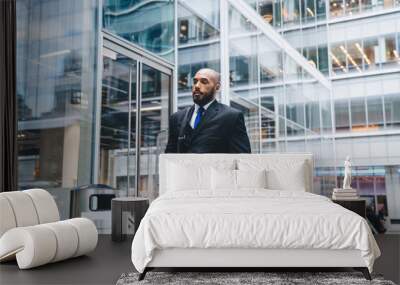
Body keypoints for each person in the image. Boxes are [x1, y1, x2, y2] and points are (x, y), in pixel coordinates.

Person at [165, 68, 251, 153]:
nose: (197, 86)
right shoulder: (177, 117)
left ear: (217, 87)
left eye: (204, 82)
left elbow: (242, 157)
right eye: (195, 82)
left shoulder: (231, 117)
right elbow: (169, 155)